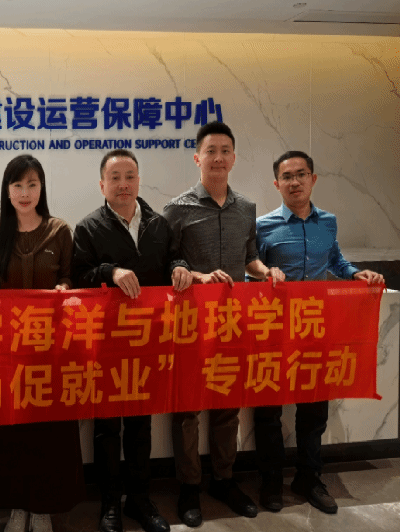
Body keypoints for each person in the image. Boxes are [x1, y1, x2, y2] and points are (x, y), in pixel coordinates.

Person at [162, 121, 285, 527]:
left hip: (231, 322)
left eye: (224, 151)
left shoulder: (246, 208)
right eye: (210, 151)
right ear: (197, 158)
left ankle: (224, 479)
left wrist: (266, 271)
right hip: (189, 323)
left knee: (227, 405)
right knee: (186, 410)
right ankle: (188, 486)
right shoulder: (177, 209)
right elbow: (170, 262)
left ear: (233, 158)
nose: (218, 158)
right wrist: (195, 275)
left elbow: (249, 257)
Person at [254, 150, 384, 515]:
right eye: (287, 176)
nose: (294, 182)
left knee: (314, 412)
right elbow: (250, 269)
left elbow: (336, 261)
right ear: (276, 184)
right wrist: (264, 273)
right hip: (275, 330)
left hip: (314, 328)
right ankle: (270, 481)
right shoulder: (263, 226)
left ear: (313, 179)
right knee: (268, 412)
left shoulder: (328, 222)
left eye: (301, 174)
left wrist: (355, 273)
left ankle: (309, 478)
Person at [71, 149, 191, 532]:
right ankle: (110, 504)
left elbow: (174, 258)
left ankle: (140, 500)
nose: (123, 185)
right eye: (115, 178)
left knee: (141, 426)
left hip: (148, 341)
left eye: (129, 177)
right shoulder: (88, 228)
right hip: (106, 343)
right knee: (107, 429)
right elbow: (78, 278)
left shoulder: (159, 224)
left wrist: (180, 268)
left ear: (139, 180)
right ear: (102, 185)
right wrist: (110, 272)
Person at [0, 155, 86, 532]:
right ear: (7, 191)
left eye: (32, 184)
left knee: (49, 436)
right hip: (11, 354)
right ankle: (18, 508)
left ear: (42, 188)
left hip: (53, 352)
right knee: (12, 435)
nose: (25, 193)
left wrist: (65, 289)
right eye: (17, 185)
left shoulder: (60, 231)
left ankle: (43, 508)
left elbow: (73, 281)